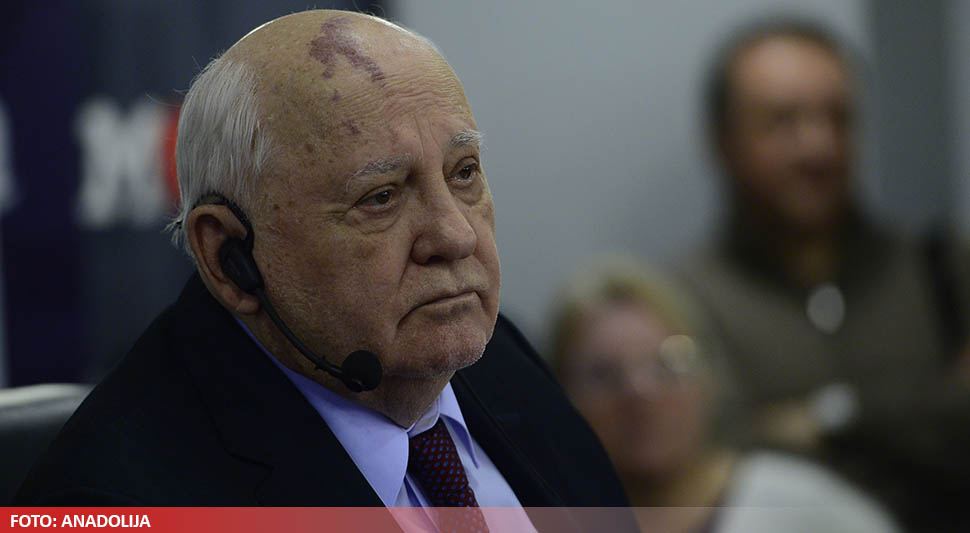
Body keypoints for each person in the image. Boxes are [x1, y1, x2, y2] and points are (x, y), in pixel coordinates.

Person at [15, 11, 634, 529]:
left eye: (464, 173)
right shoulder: (110, 500)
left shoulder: (499, 361)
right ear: (228, 256)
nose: (455, 236)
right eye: (381, 198)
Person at [677, 19, 970, 530]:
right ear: (722, 141)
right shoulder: (680, 302)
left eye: (838, 118)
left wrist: (824, 420)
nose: (818, 146)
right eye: (783, 121)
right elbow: (707, 458)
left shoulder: (941, 267)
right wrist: (924, 408)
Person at [551, 257, 900, 533]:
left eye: (668, 364)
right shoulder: (550, 519)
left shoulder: (798, 505)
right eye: (603, 376)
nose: (640, 393)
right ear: (561, 399)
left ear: (707, 377)